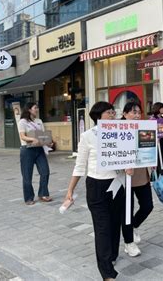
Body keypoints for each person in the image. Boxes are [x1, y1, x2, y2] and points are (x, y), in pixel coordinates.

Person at [64, 102, 126, 281]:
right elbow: (80, 165)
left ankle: (112, 255)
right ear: (98, 115)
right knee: (102, 227)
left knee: (115, 224)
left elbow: (129, 155)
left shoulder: (121, 132)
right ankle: (107, 273)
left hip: (117, 184)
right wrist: (70, 189)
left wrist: (129, 167)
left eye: (113, 112)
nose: (113, 115)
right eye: (109, 112)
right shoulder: (87, 136)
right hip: (96, 186)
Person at [121, 102, 153, 258]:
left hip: (141, 174)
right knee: (127, 211)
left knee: (147, 206)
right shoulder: (117, 131)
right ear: (125, 114)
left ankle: (133, 226)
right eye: (133, 112)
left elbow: (150, 148)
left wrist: (153, 162)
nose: (136, 115)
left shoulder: (144, 128)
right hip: (123, 177)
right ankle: (129, 243)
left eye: (139, 112)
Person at [18, 102, 54, 205]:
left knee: (45, 172)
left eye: (37, 108)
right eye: (35, 108)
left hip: (39, 149)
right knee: (27, 176)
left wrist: (49, 143)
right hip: (27, 150)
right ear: (29, 109)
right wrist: (32, 139)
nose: (37, 110)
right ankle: (29, 198)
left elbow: (43, 136)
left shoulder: (39, 121)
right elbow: (22, 136)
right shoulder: (23, 122)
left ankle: (43, 194)